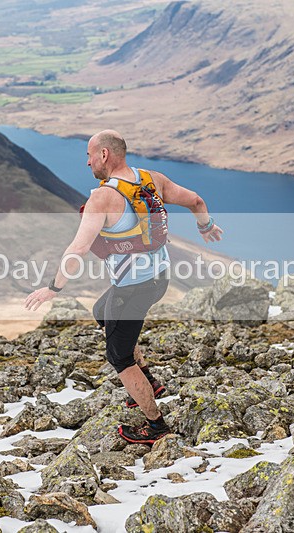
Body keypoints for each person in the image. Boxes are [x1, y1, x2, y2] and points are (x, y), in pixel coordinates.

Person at [24, 129, 223, 444]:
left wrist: (54, 289)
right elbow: (196, 200)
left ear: (104, 155)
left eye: (89, 156)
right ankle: (149, 380)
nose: (87, 163)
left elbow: (77, 250)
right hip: (159, 279)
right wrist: (205, 224)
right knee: (101, 310)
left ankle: (155, 426)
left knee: (119, 357)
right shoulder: (150, 179)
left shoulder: (102, 197)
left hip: (133, 287)